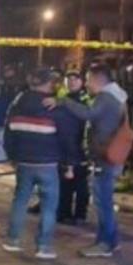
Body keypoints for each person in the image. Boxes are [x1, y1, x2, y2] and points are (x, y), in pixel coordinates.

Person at [44, 64, 129, 258]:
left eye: (89, 80)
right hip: (111, 155)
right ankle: (110, 241)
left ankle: (105, 244)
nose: (87, 84)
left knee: (103, 203)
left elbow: (89, 114)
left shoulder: (106, 97)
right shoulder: (117, 96)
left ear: (99, 80)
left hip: (105, 157)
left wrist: (63, 102)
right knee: (104, 201)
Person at [2, 68, 75, 260]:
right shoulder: (53, 107)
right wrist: (69, 164)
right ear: (47, 83)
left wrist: (12, 156)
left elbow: (8, 132)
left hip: (24, 162)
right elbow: (66, 137)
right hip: (48, 163)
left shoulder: (17, 103)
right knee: (49, 206)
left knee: (20, 201)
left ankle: (12, 240)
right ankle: (44, 247)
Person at [57, 70, 91, 225]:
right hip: (65, 145)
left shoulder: (85, 99)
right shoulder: (63, 98)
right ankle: (65, 213)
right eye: (68, 79)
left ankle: (79, 214)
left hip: (80, 145)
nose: (71, 82)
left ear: (82, 82)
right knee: (65, 184)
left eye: (75, 79)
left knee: (80, 184)